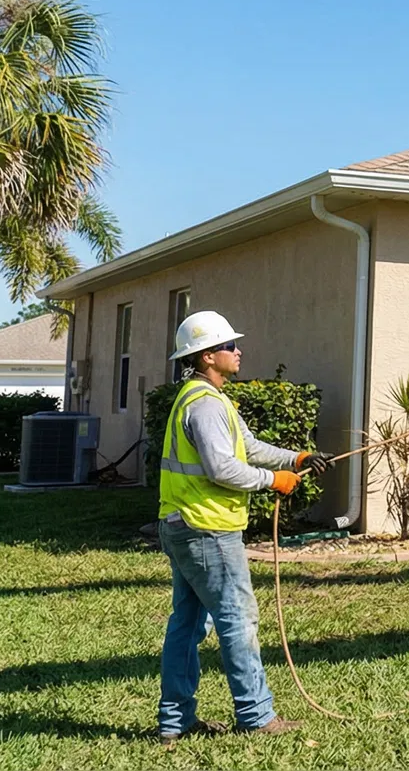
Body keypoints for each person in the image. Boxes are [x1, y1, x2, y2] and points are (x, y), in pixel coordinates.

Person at [156, 310, 330, 744]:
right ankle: (256, 716)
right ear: (207, 356)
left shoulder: (203, 398)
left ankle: (174, 722)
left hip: (183, 524)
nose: (238, 351)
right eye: (230, 346)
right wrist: (274, 480)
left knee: (187, 625)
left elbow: (246, 447)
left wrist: (296, 459)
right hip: (206, 529)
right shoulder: (205, 406)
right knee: (237, 620)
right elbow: (221, 468)